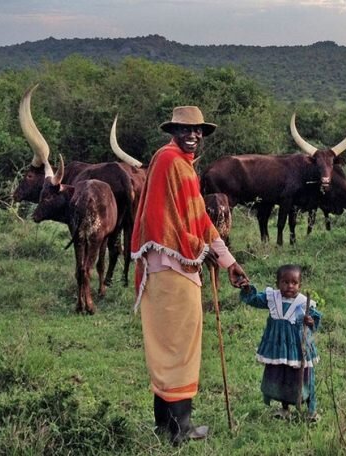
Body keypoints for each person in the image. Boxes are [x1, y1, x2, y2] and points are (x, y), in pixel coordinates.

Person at [131, 106, 249, 445]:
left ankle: (165, 425)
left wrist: (229, 261)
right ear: (173, 131)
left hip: (176, 265)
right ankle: (179, 429)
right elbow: (173, 222)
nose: (193, 135)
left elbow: (198, 219)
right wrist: (202, 247)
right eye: (185, 129)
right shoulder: (171, 162)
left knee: (170, 343)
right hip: (171, 267)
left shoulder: (181, 164)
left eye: (198, 130)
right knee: (179, 346)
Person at [240, 264, 321, 421]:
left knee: (303, 374)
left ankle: (311, 410)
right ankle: (284, 408)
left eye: (294, 282)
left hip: (298, 347)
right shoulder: (272, 298)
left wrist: (309, 321)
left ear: (300, 284)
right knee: (282, 374)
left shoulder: (304, 303)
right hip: (279, 348)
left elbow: (314, 321)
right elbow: (254, 300)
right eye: (285, 282)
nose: (289, 286)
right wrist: (247, 289)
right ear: (278, 283)